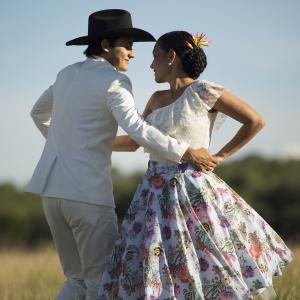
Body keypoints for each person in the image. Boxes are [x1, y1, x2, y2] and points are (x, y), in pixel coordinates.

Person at [26, 11, 217, 300]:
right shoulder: (115, 82)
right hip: (87, 197)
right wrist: (185, 151)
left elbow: (38, 113)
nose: (132, 53)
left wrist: (68, 144)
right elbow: (138, 129)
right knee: (101, 283)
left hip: (51, 194)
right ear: (105, 45)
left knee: (76, 280)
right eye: (127, 45)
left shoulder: (65, 74)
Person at [97, 31, 293, 300]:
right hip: (153, 195)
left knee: (207, 260)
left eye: (155, 56)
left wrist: (221, 156)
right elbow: (134, 141)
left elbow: (254, 121)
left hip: (193, 192)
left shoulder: (203, 91)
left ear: (171, 57)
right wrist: (91, 141)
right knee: (154, 265)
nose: (150, 64)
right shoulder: (155, 99)